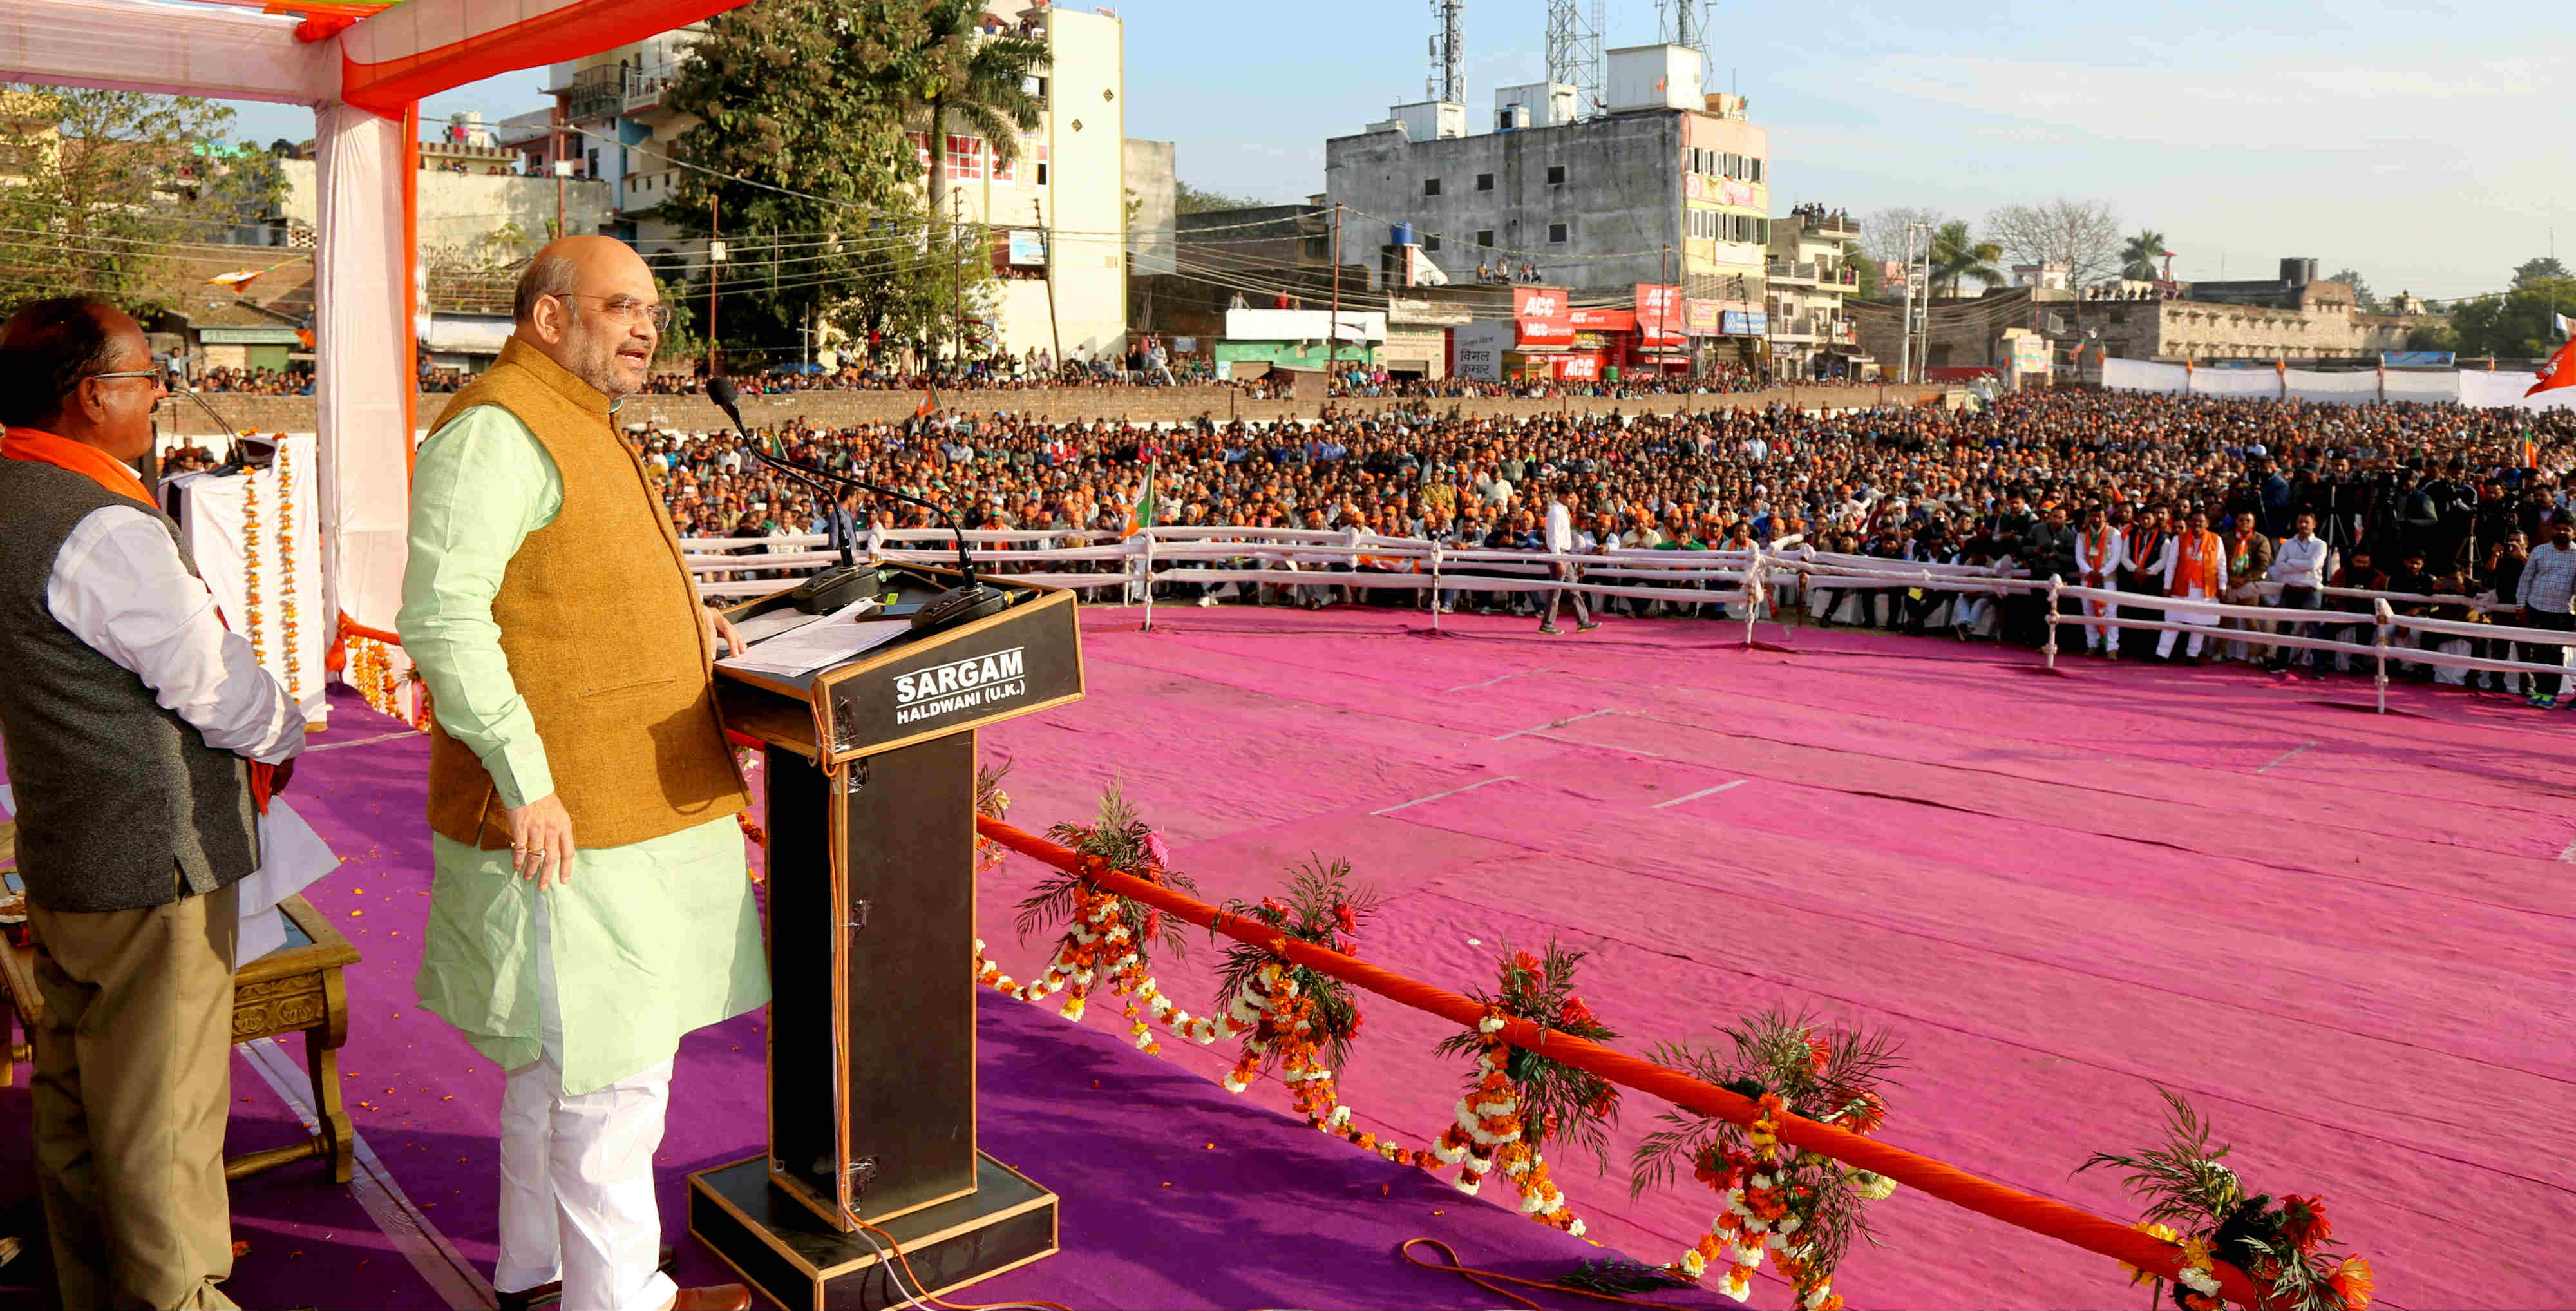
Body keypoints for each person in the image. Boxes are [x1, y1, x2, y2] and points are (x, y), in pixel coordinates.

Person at [397, 237, 759, 1311]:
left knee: (558, 1074)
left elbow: (560, 585)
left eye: (652, 309)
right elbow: (444, 620)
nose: (647, 328)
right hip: (575, 817)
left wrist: (680, 621)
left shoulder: (574, 420)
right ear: (549, 320)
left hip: (618, 810)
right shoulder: (500, 430)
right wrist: (526, 779)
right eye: (621, 307)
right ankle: (617, 1299)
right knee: (611, 1078)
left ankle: (538, 1271)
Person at [0, 297, 307, 1310]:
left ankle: (87, 1286)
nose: (159, 395)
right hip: (151, 862)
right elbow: (213, 685)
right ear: (94, 398)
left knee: (80, 1098)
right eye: (145, 378)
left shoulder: (12, 487)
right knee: (163, 1120)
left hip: (66, 848)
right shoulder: (98, 521)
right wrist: (285, 731)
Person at [2514, 510, 2576, 708]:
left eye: (2567, 529)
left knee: (2555, 653)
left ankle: (2550, 695)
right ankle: (2540, 691)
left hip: (2563, 612)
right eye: (2558, 528)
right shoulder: (2539, 551)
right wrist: (2521, 605)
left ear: (2574, 533)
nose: (2562, 532)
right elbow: (2526, 580)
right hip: (2536, 608)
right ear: (2552, 530)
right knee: (2539, 653)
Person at [2155, 509, 2228, 663]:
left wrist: (2223, 585)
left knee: (2200, 623)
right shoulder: (2179, 539)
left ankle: (2193, 655)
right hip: (2182, 586)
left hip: (2205, 588)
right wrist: (2167, 586)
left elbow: (2221, 565)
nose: (2197, 524)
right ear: (2188, 523)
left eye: (2201, 521)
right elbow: (2171, 564)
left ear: (2207, 523)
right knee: (2173, 621)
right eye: (2194, 521)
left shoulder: (2216, 540)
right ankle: (2162, 654)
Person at [2266, 512, 2329, 676]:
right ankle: (2281, 663)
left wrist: (2292, 563)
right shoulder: (2288, 544)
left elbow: (2314, 565)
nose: (2303, 525)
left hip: (2311, 590)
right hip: (2290, 589)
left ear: (2314, 524)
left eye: (2306, 522)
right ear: (2296, 523)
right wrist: (2303, 566)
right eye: (2300, 522)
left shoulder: (2320, 544)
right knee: (2284, 628)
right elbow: (2279, 565)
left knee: (2315, 629)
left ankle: (2319, 668)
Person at [1538, 486, 1598, 635]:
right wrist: (1558, 560)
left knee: (1573, 589)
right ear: (1564, 496)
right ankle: (1547, 624)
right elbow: (1553, 538)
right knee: (1556, 592)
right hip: (1560, 555)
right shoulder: (1556, 513)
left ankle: (1583, 621)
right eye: (1571, 497)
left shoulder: (1562, 511)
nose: (1573, 501)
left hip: (1565, 555)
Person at [2074, 506, 2127, 658]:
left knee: (2111, 613)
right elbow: (2079, 558)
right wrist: (2090, 572)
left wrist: (2102, 573)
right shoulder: (2082, 534)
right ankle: (2092, 644)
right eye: (2094, 516)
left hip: (2108, 578)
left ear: (2106, 518)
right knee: (2088, 612)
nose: (2096, 520)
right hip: (2088, 577)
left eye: (2100, 517)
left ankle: (2112, 647)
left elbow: (2116, 558)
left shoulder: (2114, 533)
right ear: (2090, 516)